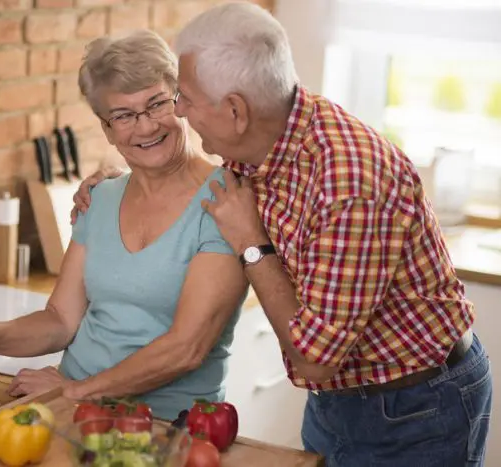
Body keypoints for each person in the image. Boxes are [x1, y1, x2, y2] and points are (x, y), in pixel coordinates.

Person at [69, 3, 492, 465]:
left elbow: (315, 360)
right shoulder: (261, 138)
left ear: (235, 110)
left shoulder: (350, 184)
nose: (179, 112)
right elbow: (171, 171)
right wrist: (114, 179)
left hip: (415, 406)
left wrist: (253, 243)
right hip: (341, 398)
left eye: (183, 98)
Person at [0, 30, 248, 422]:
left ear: (180, 103)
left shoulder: (226, 201)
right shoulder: (101, 198)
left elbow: (186, 348)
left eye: (156, 104)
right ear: (106, 128)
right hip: (71, 410)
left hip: (170, 426)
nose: (144, 127)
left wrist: (76, 391)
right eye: (123, 115)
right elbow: (60, 320)